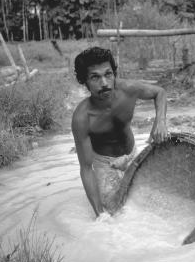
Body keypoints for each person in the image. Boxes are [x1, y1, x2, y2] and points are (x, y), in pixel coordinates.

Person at [72, 47, 169, 220]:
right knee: (116, 213)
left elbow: (159, 92)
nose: (104, 83)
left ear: (114, 74)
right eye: (95, 77)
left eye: (108, 74)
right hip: (105, 165)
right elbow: (86, 169)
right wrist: (99, 215)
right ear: (84, 81)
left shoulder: (128, 90)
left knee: (152, 202)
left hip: (132, 155)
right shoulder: (82, 118)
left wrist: (159, 121)